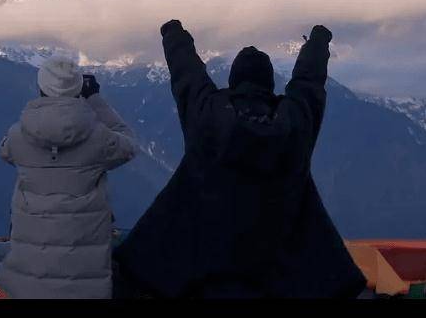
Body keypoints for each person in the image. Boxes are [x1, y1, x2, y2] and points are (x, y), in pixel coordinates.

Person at [112, 20, 366, 299]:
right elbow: (309, 84)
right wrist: (318, 42)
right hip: (281, 281)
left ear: (234, 81)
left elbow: (188, 74)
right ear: (269, 84)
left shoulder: (208, 116)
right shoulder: (293, 125)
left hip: (204, 278)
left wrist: (174, 34)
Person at [0, 56, 138, 299]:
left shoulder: (18, 137)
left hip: (27, 281)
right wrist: (94, 99)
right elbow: (128, 143)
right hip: (85, 282)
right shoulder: (99, 139)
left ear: (40, 88)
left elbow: (5, 151)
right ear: (78, 89)